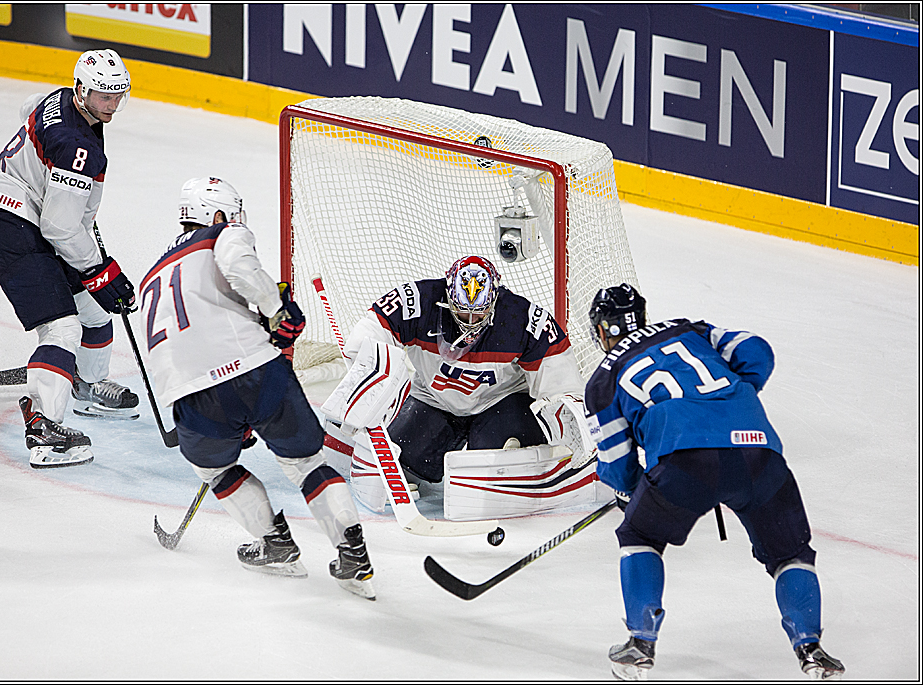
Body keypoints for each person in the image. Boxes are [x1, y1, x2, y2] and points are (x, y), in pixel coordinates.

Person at [583, 284, 845, 681]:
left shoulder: (603, 381)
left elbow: (617, 465)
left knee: (639, 536)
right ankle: (812, 651)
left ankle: (640, 644)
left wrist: (632, 493)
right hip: (760, 451)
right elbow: (758, 351)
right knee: (790, 553)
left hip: (685, 461)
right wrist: (738, 402)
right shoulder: (689, 329)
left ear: (601, 330)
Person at [139, 176, 376, 600]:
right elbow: (240, 266)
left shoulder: (151, 278)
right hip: (256, 368)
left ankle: (276, 544)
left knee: (215, 470)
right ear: (215, 216)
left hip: (192, 392)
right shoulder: (223, 233)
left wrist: (227, 411)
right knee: (306, 462)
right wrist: (277, 311)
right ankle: (352, 551)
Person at [0, 49, 139, 470]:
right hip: (8, 227)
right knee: (62, 326)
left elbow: (31, 109)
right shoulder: (77, 146)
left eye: (118, 97)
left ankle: (88, 386)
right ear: (82, 89)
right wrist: (99, 269)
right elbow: (60, 228)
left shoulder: (58, 98)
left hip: (21, 218)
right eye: (102, 98)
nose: (111, 106)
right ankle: (44, 428)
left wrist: (96, 275)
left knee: (95, 308)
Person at [325, 255, 597, 518]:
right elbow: (370, 332)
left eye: (478, 314)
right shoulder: (418, 302)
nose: (469, 322)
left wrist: (569, 435)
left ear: (494, 301)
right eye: (462, 312)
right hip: (435, 400)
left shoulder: (522, 319)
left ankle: (510, 450)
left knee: (492, 470)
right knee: (404, 460)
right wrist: (369, 374)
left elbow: (561, 382)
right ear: (447, 296)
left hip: (501, 402)